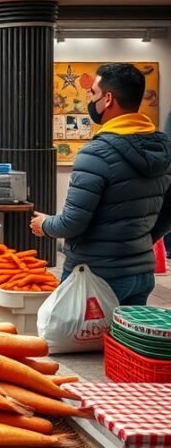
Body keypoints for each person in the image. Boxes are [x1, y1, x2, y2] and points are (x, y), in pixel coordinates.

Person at [30, 63, 171, 306]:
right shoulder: (163, 149)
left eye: (92, 93)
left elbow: (72, 223)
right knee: (125, 342)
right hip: (140, 273)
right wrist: (141, 243)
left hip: (95, 275)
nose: (89, 99)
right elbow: (168, 215)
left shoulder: (96, 154)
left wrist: (45, 224)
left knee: (75, 343)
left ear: (107, 99)